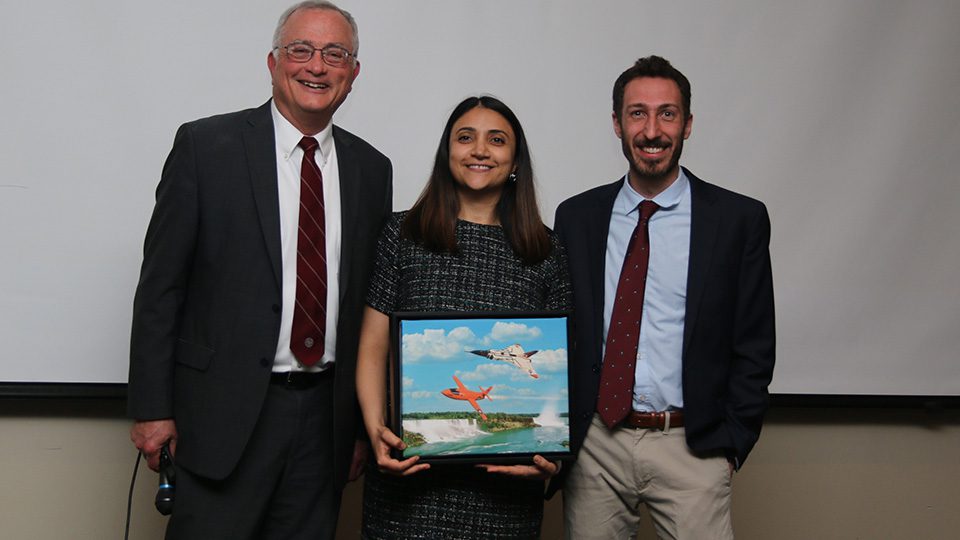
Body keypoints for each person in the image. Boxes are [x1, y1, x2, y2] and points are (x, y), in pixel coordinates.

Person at [127, 2, 392, 538]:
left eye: (335, 54)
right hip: (221, 417)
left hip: (326, 424)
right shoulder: (206, 148)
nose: (317, 67)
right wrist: (153, 409)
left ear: (354, 74)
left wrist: (365, 423)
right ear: (273, 62)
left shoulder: (372, 168)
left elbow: (368, 305)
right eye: (301, 50)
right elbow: (161, 287)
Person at [552, 55, 776, 539]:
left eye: (667, 114)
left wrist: (731, 444)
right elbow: (561, 329)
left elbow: (755, 341)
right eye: (637, 113)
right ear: (616, 123)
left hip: (692, 445)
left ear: (688, 124)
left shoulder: (738, 220)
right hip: (597, 447)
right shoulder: (577, 218)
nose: (652, 130)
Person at [355, 96, 572, 539]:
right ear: (447, 152)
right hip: (407, 482)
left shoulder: (547, 251)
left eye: (496, 140)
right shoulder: (401, 235)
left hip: (507, 497)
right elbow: (374, 346)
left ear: (515, 160)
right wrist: (376, 428)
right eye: (465, 137)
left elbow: (561, 365)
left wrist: (554, 456)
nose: (479, 150)